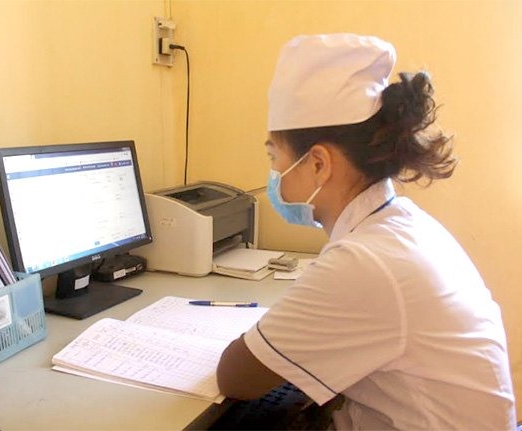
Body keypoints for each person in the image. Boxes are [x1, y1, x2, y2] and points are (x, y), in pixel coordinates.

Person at [216, 33, 516, 430]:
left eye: (275, 156)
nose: (274, 173)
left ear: (319, 164)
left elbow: (235, 377)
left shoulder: (366, 260)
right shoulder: (401, 226)